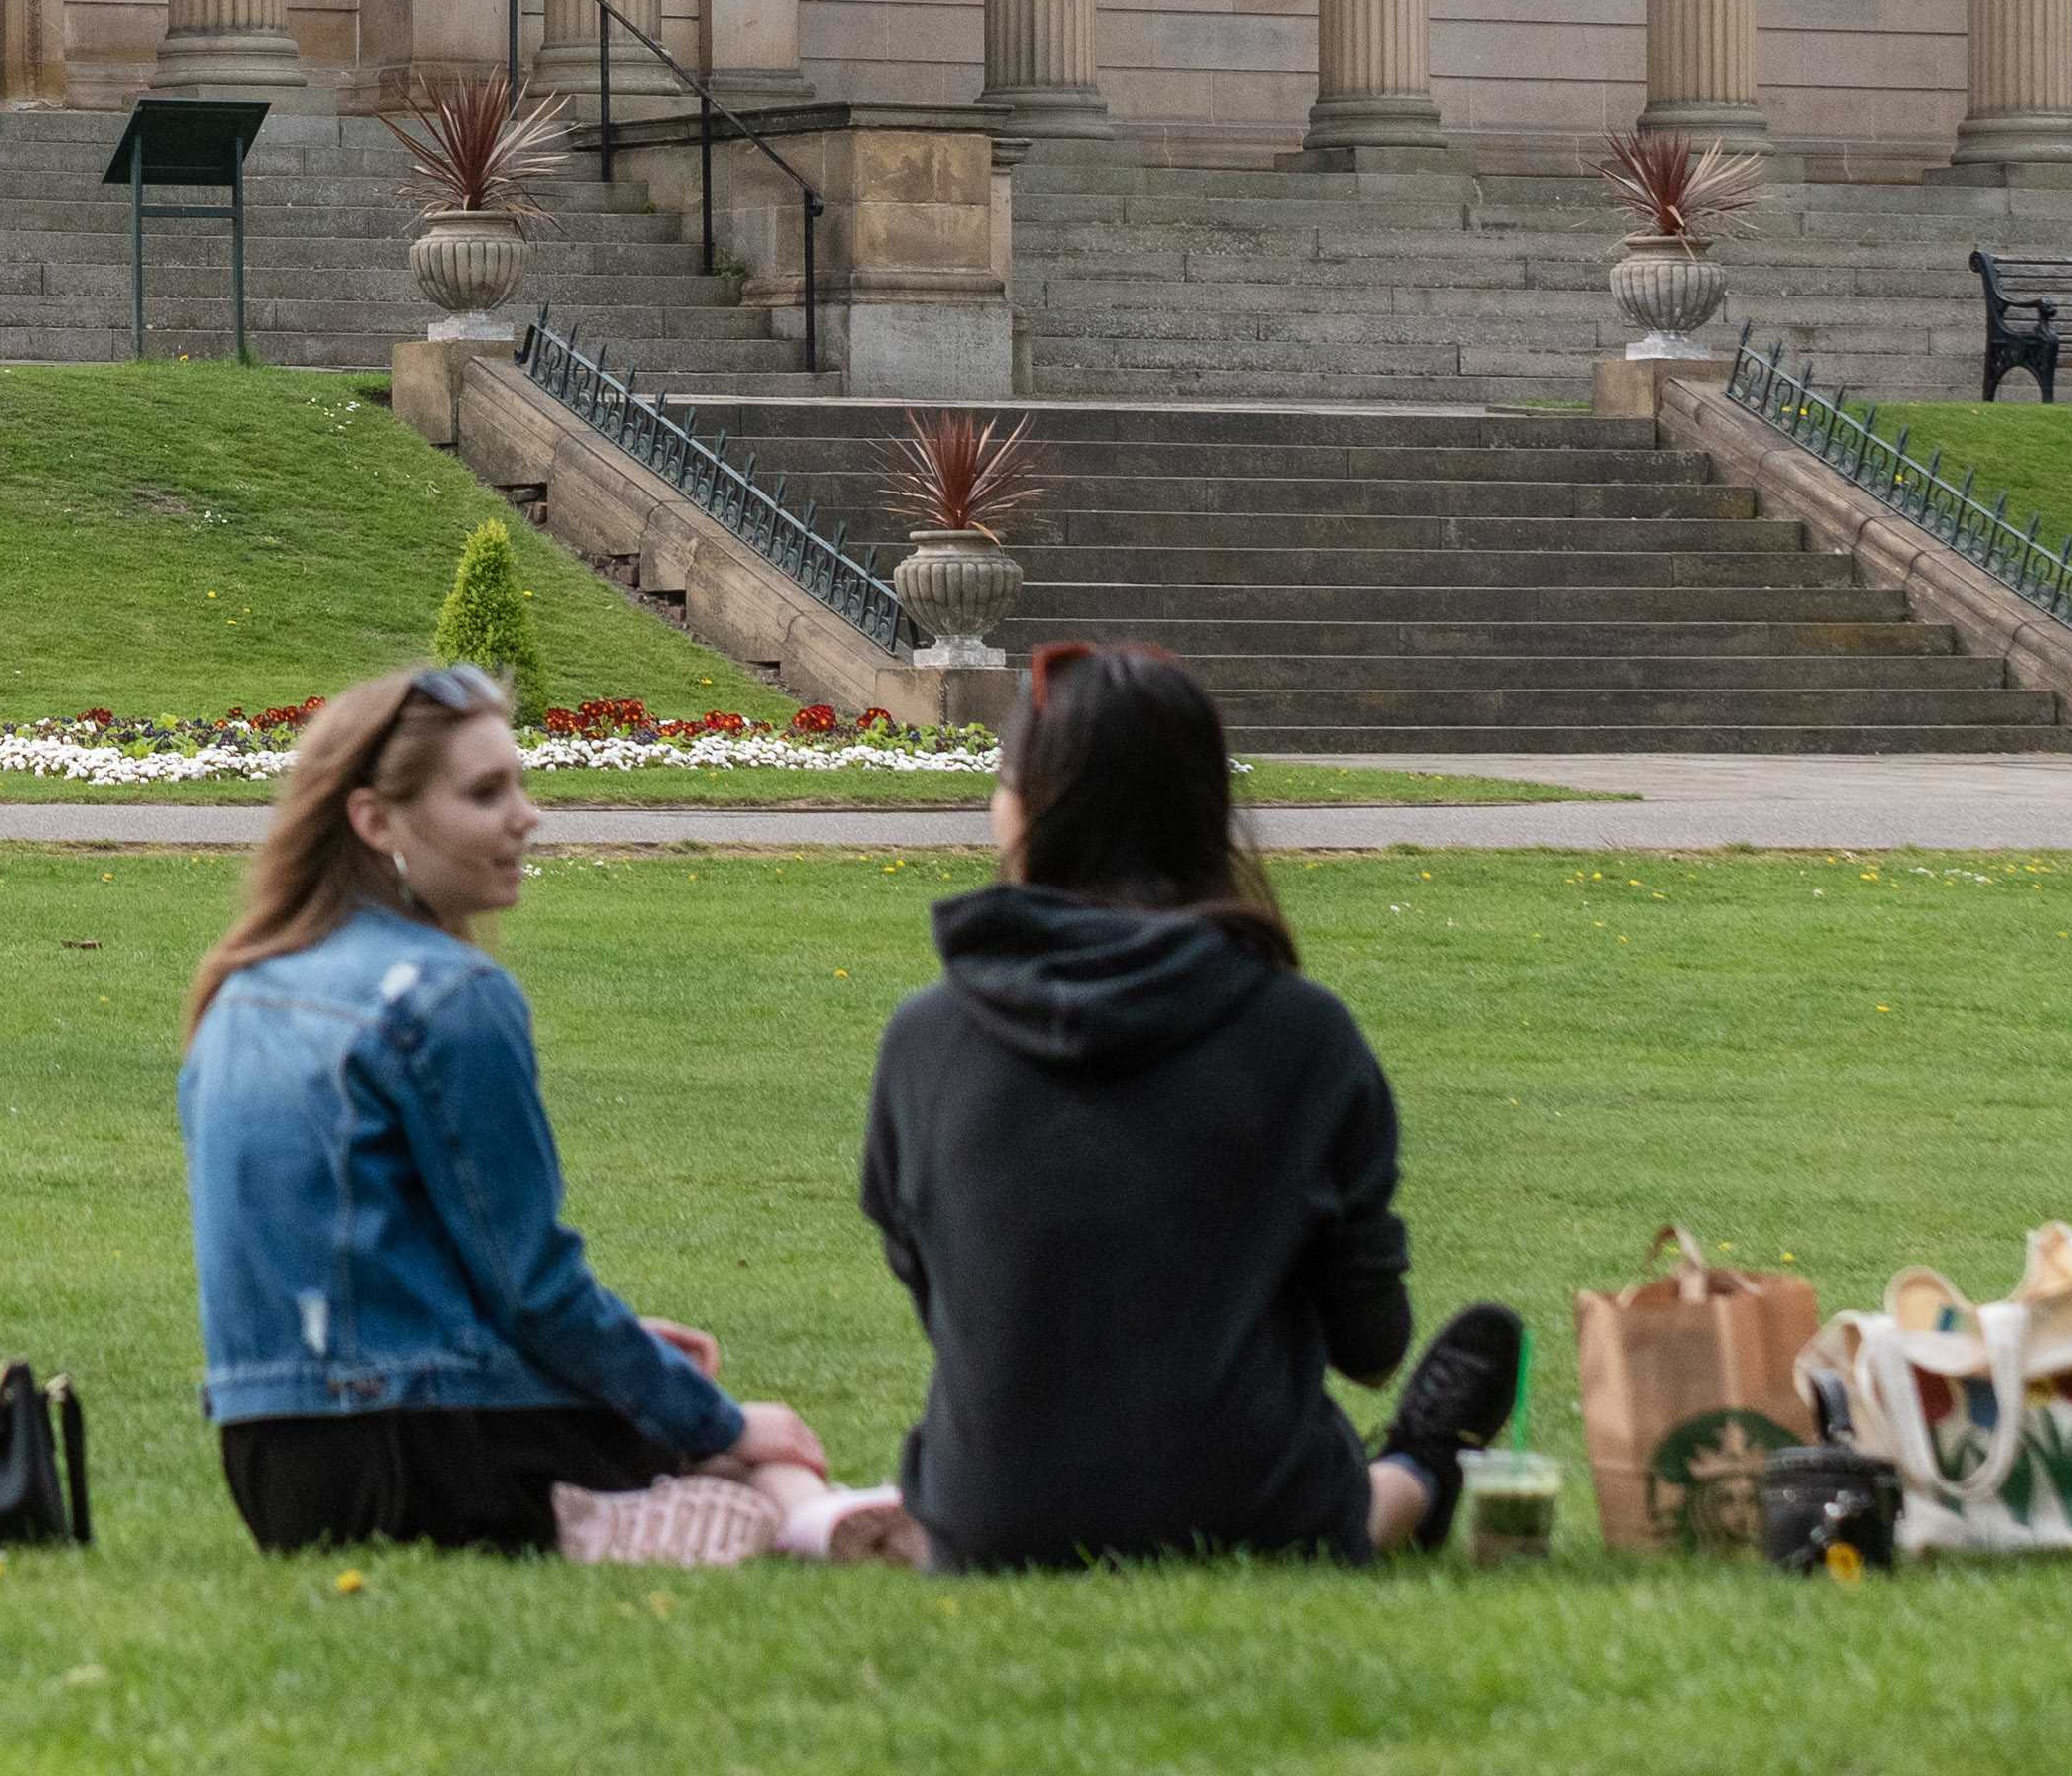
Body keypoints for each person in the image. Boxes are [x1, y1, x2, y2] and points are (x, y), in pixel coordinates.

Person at [845, 639, 1525, 1573]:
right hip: (1256, 1505)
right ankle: (1427, 1463)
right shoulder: (1303, 1035)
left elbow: (941, 1286)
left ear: (1024, 811)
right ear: (1206, 813)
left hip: (989, 1517)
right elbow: (1371, 1340)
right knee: (1364, 1488)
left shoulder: (924, 1037)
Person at [177, 659, 835, 1554]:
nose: (527, 816)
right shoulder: (449, 996)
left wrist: (621, 1355)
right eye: (487, 793)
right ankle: (797, 1525)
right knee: (757, 1447)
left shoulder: (239, 992)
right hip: (424, 1453)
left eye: (520, 784)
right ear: (377, 821)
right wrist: (715, 1422)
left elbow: (381, 1263)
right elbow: (533, 1287)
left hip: (275, 1470)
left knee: (654, 1388)